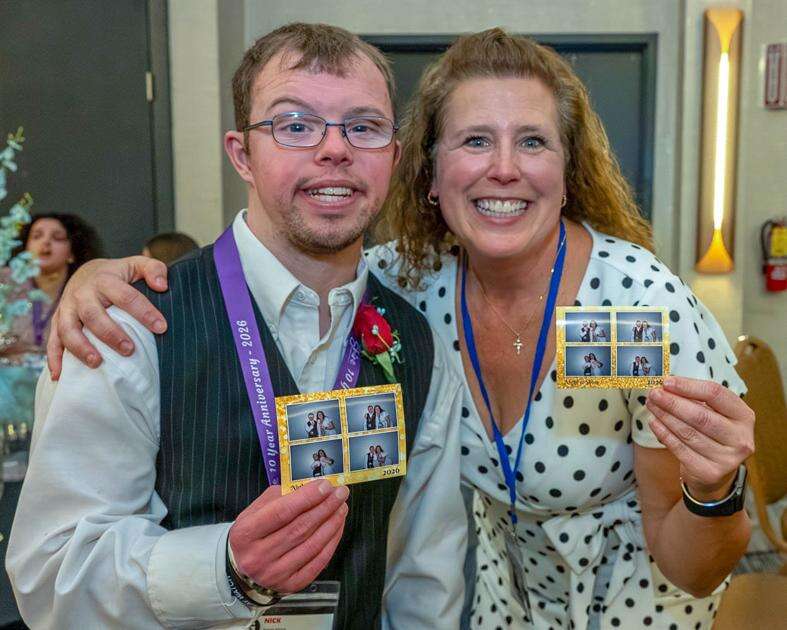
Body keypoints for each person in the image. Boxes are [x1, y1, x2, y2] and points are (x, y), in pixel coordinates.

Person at [40, 28, 756, 630]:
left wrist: (714, 486)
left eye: (534, 142)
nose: (504, 168)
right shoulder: (411, 288)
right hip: (501, 608)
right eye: (474, 140)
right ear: (429, 173)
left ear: (569, 171)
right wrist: (86, 275)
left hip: (629, 607)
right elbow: (51, 571)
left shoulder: (629, 308)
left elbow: (430, 571)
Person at [7, 23, 467, 630]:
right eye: (295, 125)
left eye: (364, 126)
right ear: (242, 154)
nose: (335, 149)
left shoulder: (418, 344)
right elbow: (53, 573)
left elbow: (424, 583)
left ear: (394, 156)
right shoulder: (129, 324)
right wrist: (224, 567)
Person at [2, 213, 101, 361]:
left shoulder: (85, 289)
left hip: (61, 372)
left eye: (57, 238)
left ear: (71, 254)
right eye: (37, 236)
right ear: (25, 249)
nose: (46, 242)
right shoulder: (5, 282)